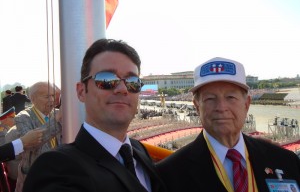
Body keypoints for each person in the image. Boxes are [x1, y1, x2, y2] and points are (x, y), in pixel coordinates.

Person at [23, 39, 167, 192]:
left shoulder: (138, 151)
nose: (123, 88)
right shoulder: (56, 168)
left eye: (133, 81)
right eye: (107, 80)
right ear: (81, 91)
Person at [157, 57, 300, 192]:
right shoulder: (169, 174)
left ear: (246, 104)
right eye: (210, 98)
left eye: (231, 97)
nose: (221, 107)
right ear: (196, 106)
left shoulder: (285, 160)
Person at [14, 82, 62, 192]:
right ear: (33, 99)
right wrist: (56, 120)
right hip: (34, 176)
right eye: (47, 96)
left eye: (53, 96)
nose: (52, 100)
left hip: (58, 174)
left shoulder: (58, 113)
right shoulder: (23, 117)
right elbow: (31, 144)